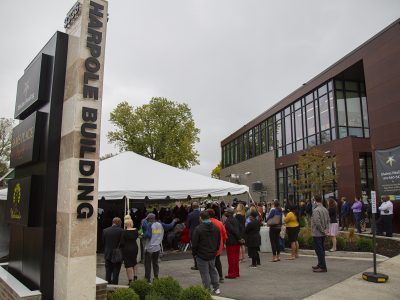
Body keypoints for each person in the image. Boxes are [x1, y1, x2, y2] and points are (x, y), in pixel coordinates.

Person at [191, 211, 221, 295]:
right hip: (212, 253)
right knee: (213, 271)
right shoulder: (216, 227)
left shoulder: (198, 229)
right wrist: (215, 250)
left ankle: (207, 290)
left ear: (201, 218)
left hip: (201, 255)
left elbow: (194, 244)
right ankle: (216, 288)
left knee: (205, 273)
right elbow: (219, 241)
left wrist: (194, 254)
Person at [142, 213, 164, 282]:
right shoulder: (159, 224)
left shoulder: (149, 225)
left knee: (147, 264)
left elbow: (147, 235)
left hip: (149, 247)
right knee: (155, 263)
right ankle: (156, 277)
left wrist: (142, 234)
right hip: (157, 247)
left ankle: (147, 279)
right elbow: (156, 233)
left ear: (149, 218)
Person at [207, 209, 228, 283]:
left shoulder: (205, 223)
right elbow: (224, 235)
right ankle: (221, 276)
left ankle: (211, 278)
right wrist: (224, 243)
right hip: (219, 245)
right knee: (217, 261)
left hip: (208, 246)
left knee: (209, 263)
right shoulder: (220, 223)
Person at [102, 217, 124, 284]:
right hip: (117, 254)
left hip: (107, 253)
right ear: (119, 223)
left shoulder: (105, 230)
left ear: (112, 222)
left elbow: (103, 242)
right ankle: (115, 287)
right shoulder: (122, 231)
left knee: (108, 272)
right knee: (116, 272)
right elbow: (122, 243)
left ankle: (107, 285)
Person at [311, 195, 330, 273]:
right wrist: (326, 230)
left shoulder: (316, 210)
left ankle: (322, 266)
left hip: (317, 233)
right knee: (321, 249)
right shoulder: (325, 209)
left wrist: (322, 230)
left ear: (315, 200)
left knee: (319, 250)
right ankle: (320, 264)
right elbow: (328, 220)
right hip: (322, 233)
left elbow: (317, 222)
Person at [224, 207, 242, 279]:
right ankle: (236, 272)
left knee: (231, 258)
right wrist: (240, 238)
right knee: (236, 258)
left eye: (226, 212)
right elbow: (240, 228)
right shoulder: (235, 219)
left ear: (229, 213)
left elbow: (233, 230)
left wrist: (239, 238)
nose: (225, 213)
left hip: (231, 242)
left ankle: (232, 274)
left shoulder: (228, 221)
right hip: (236, 242)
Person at [121, 216, 139, 284]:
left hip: (127, 249)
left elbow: (122, 243)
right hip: (135, 248)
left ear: (126, 224)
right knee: (134, 261)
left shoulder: (124, 232)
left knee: (128, 265)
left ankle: (130, 281)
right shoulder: (136, 230)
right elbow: (137, 237)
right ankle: (135, 277)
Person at [187, 202, 201, 270]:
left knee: (195, 249)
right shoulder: (202, 213)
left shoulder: (190, 214)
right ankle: (202, 264)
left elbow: (188, 225)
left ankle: (196, 265)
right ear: (198, 206)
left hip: (193, 234)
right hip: (202, 232)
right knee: (201, 248)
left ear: (192, 207)